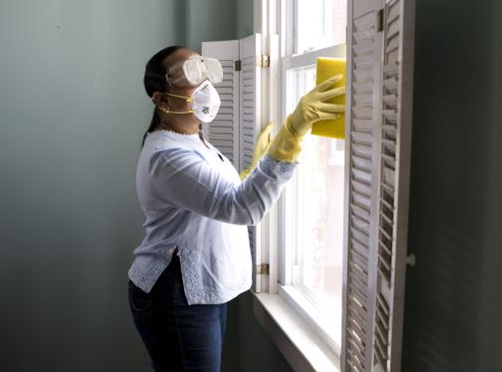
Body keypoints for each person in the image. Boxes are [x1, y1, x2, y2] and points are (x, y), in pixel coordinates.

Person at [127, 45, 345, 372]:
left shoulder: (190, 139)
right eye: (189, 75)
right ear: (161, 100)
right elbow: (242, 208)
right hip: (175, 292)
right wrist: (291, 133)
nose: (204, 85)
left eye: (204, 70)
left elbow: (213, 195)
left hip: (195, 288)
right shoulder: (167, 155)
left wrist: (255, 168)